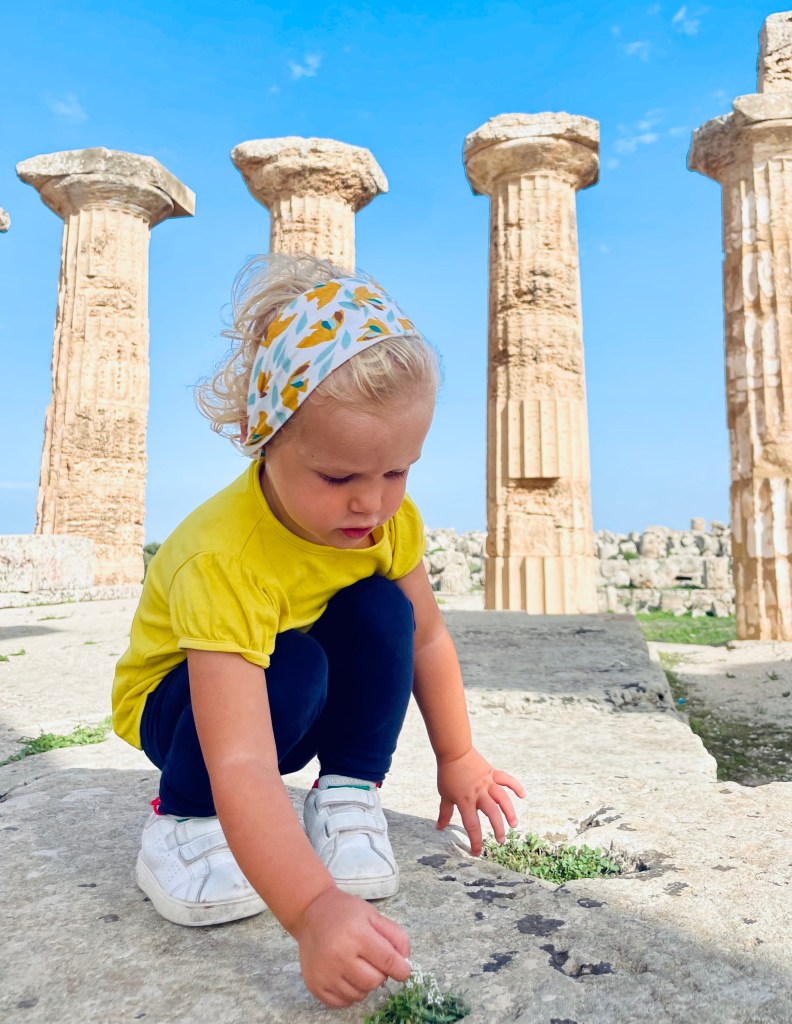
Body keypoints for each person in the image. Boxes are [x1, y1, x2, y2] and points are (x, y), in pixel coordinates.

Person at [111, 252, 525, 1009]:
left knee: (382, 612)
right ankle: (181, 822)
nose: (372, 503)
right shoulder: (222, 556)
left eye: (398, 471)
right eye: (340, 478)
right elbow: (238, 752)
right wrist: (310, 910)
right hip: (184, 718)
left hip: (281, 705)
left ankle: (345, 792)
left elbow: (425, 639)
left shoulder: (384, 522)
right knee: (294, 664)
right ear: (264, 440)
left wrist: (458, 754)